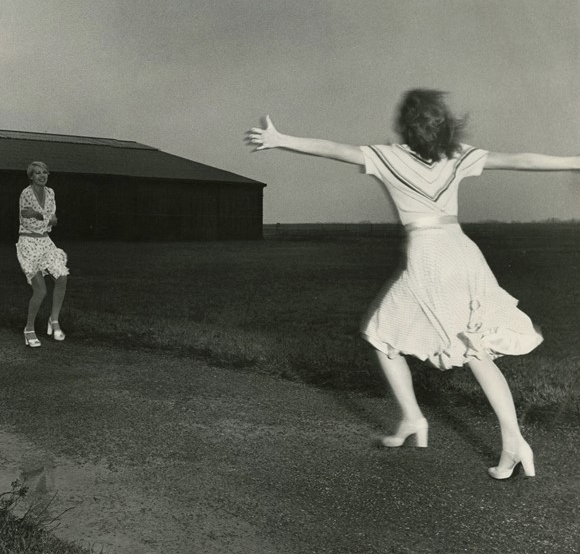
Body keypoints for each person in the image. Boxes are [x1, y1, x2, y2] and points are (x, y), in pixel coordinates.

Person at [245, 89, 580, 479]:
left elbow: (333, 148)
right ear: (447, 125)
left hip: (430, 257)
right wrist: (575, 160)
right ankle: (414, 420)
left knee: (458, 348)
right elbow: (520, 160)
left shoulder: (389, 156)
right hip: (462, 251)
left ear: (406, 125)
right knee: (393, 333)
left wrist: (281, 139)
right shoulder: (458, 156)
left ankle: (511, 442)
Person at [16, 161, 69, 347]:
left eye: (45, 172)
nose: (42, 176)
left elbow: (53, 222)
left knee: (62, 276)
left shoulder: (51, 193)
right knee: (41, 290)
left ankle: (53, 320)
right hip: (28, 243)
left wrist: (39, 216)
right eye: (37, 173)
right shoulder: (26, 193)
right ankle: (29, 329)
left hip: (46, 242)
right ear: (31, 176)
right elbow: (28, 221)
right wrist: (44, 218)